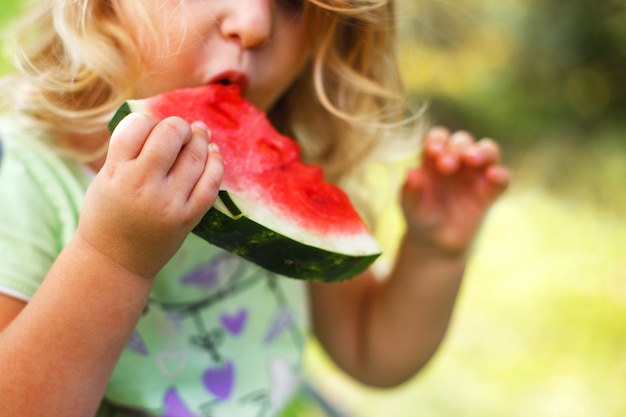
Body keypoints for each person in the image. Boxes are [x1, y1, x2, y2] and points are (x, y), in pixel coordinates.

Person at [0, 0, 510, 416]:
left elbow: (372, 350)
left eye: (291, 1)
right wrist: (113, 254)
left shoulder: (282, 159)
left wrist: (434, 253)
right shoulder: (24, 180)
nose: (255, 23)